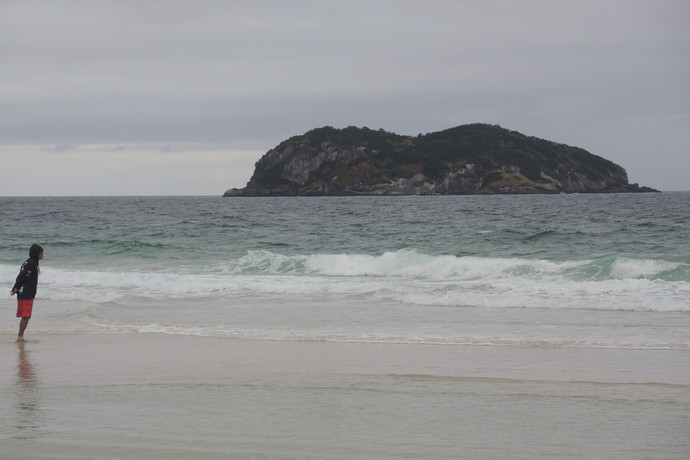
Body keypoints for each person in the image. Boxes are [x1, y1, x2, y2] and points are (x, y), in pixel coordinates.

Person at [10, 244, 44, 341]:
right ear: (36, 253)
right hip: (26, 293)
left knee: (25, 316)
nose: (42, 255)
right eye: (41, 253)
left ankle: (20, 336)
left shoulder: (30, 262)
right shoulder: (31, 263)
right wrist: (16, 287)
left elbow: (20, 275)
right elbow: (23, 276)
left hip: (25, 292)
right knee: (26, 316)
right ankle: (20, 337)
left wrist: (15, 287)